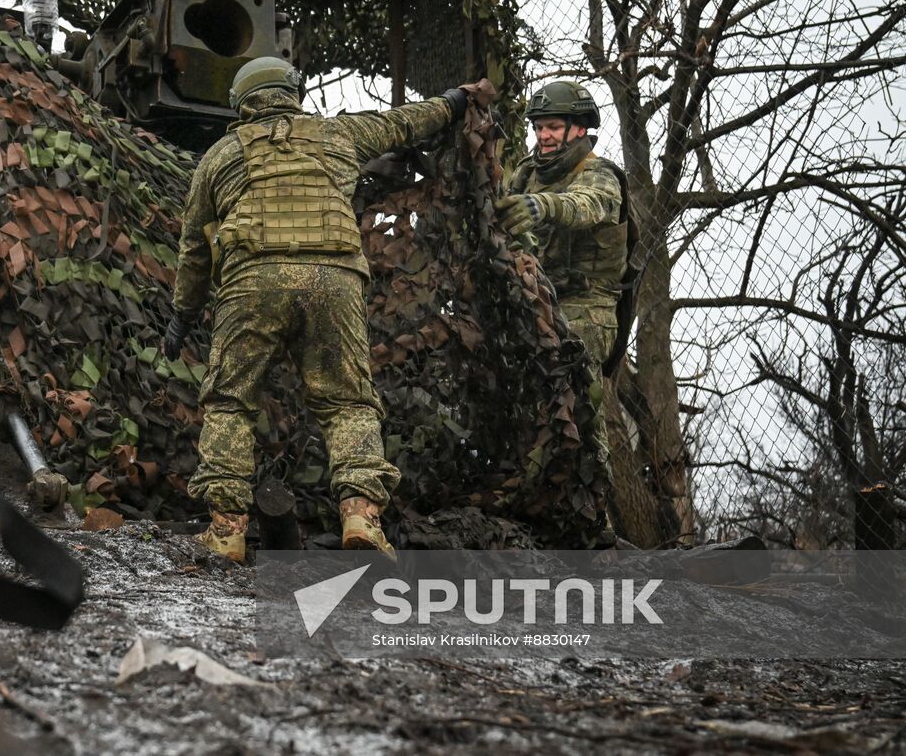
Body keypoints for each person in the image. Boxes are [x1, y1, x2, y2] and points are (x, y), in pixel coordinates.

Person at [164, 55, 469, 562]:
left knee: (231, 400)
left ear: (241, 102)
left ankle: (226, 531)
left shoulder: (220, 156)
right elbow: (404, 121)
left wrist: (182, 314)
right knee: (348, 401)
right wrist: (455, 102)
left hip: (251, 281)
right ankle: (362, 519)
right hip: (334, 278)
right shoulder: (338, 135)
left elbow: (195, 247)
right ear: (291, 92)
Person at [494, 80, 630, 482]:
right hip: (536, 303)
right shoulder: (527, 173)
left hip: (589, 307)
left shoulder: (601, 175)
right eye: (538, 127)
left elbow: (586, 206)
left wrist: (542, 205)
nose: (543, 136)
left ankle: (594, 498)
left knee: (577, 392)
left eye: (552, 126)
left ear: (579, 128)